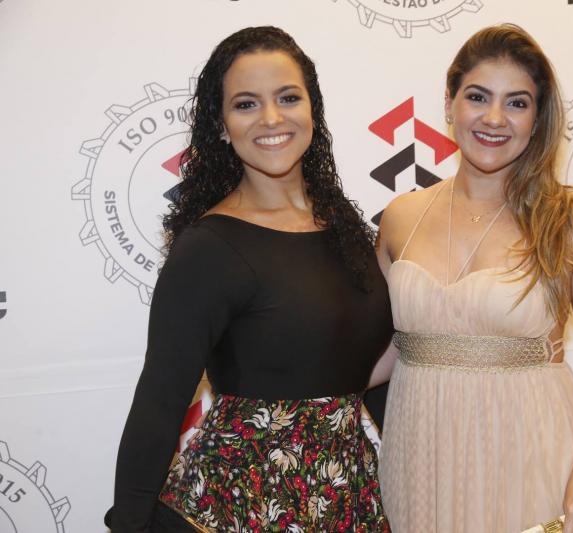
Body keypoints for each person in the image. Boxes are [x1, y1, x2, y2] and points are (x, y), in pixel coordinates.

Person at [106, 26, 393, 532]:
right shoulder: (209, 247)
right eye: (246, 104)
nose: (272, 118)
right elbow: (160, 400)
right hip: (236, 511)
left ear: (313, 109)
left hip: (346, 503)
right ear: (221, 126)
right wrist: (130, 524)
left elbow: (362, 370)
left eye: (288, 97)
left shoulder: (343, 225)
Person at [372, 24, 573, 533]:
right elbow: (384, 350)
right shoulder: (402, 217)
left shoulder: (569, 218)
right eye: (477, 97)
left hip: (532, 453)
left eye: (516, 103)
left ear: (537, 119)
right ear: (449, 104)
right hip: (420, 461)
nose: (494, 118)